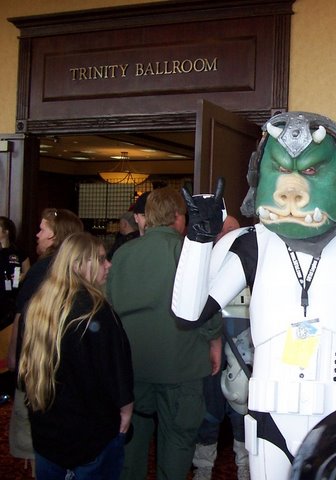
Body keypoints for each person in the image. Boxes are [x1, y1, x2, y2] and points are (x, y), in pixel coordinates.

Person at [172, 111, 336, 479]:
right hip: (271, 413)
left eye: (311, 170)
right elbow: (189, 313)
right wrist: (198, 240)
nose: (292, 187)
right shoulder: (251, 244)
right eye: (282, 170)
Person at [107, 187, 223, 480]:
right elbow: (206, 306)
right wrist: (215, 342)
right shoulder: (189, 253)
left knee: (132, 437)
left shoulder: (122, 254)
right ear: (178, 217)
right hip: (182, 362)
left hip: (132, 364)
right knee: (178, 439)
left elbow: (109, 307)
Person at [18, 232, 133, 480]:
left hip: (47, 432)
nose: (108, 264)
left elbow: (23, 367)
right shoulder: (96, 311)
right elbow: (116, 372)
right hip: (92, 435)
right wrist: (126, 410)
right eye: (100, 259)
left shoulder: (38, 305)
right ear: (78, 265)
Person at [7, 208, 83, 471]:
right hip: (59, 365)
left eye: (42, 229)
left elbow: (23, 317)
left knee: (35, 444)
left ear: (55, 235)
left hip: (37, 363)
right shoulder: (70, 268)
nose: (37, 235)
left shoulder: (43, 269)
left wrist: (14, 354)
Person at [192, 215, 251, 480]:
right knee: (209, 408)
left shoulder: (252, 261)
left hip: (244, 342)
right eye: (225, 230)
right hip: (212, 344)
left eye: (233, 230)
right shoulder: (206, 265)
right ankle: (203, 466)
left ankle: (244, 464)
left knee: (241, 403)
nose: (229, 235)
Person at [0, 216, 30, 330]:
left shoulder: (19, 252)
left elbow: (28, 272)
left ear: (6, 232)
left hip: (13, 299)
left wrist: (22, 276)